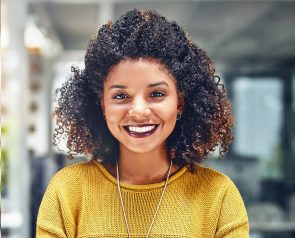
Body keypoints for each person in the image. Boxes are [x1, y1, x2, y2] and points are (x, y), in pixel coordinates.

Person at [36, 9, 249, 238]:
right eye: (120, 96)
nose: (138, 111)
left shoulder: (219, 196)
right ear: (101, 105)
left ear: (180, 102)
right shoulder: (68, 191)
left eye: (156, 94)